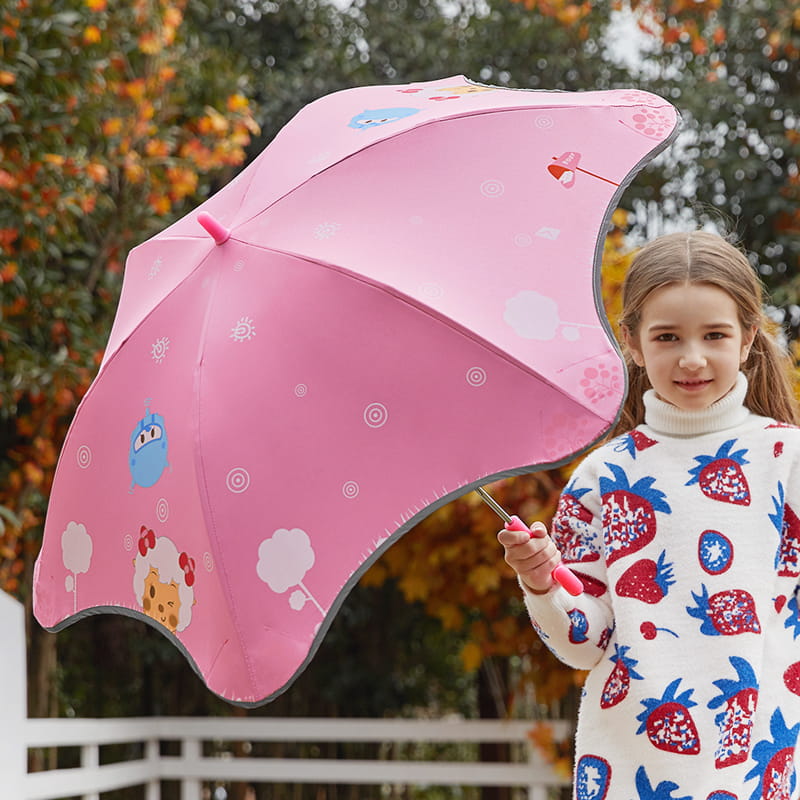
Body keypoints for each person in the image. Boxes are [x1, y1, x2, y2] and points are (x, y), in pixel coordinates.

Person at [498, 231, 800, 799]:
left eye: (715, 335)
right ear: (633, 343)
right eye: (667, 337)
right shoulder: (600, 479)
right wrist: (541, 584)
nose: (691, 357)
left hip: (765, 766)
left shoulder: (788, 461)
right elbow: (584, 644)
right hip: (628, 771)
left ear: (747, 339)